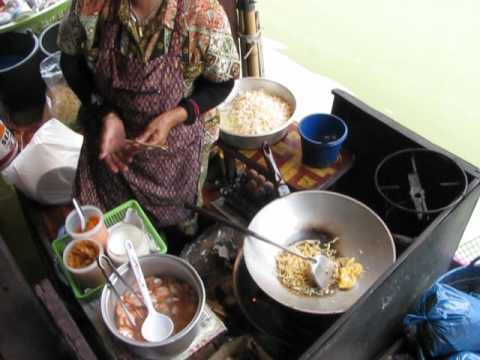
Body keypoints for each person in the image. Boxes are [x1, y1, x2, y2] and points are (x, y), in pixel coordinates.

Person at [57, 0, 240, 250]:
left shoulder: (201, 13)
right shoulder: (91, 6)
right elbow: (70, 63)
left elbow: (222, 82)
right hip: (111, 147)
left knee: (179, 228)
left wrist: (177, 115)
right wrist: (105, 113)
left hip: (176, 151)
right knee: (108, 236)